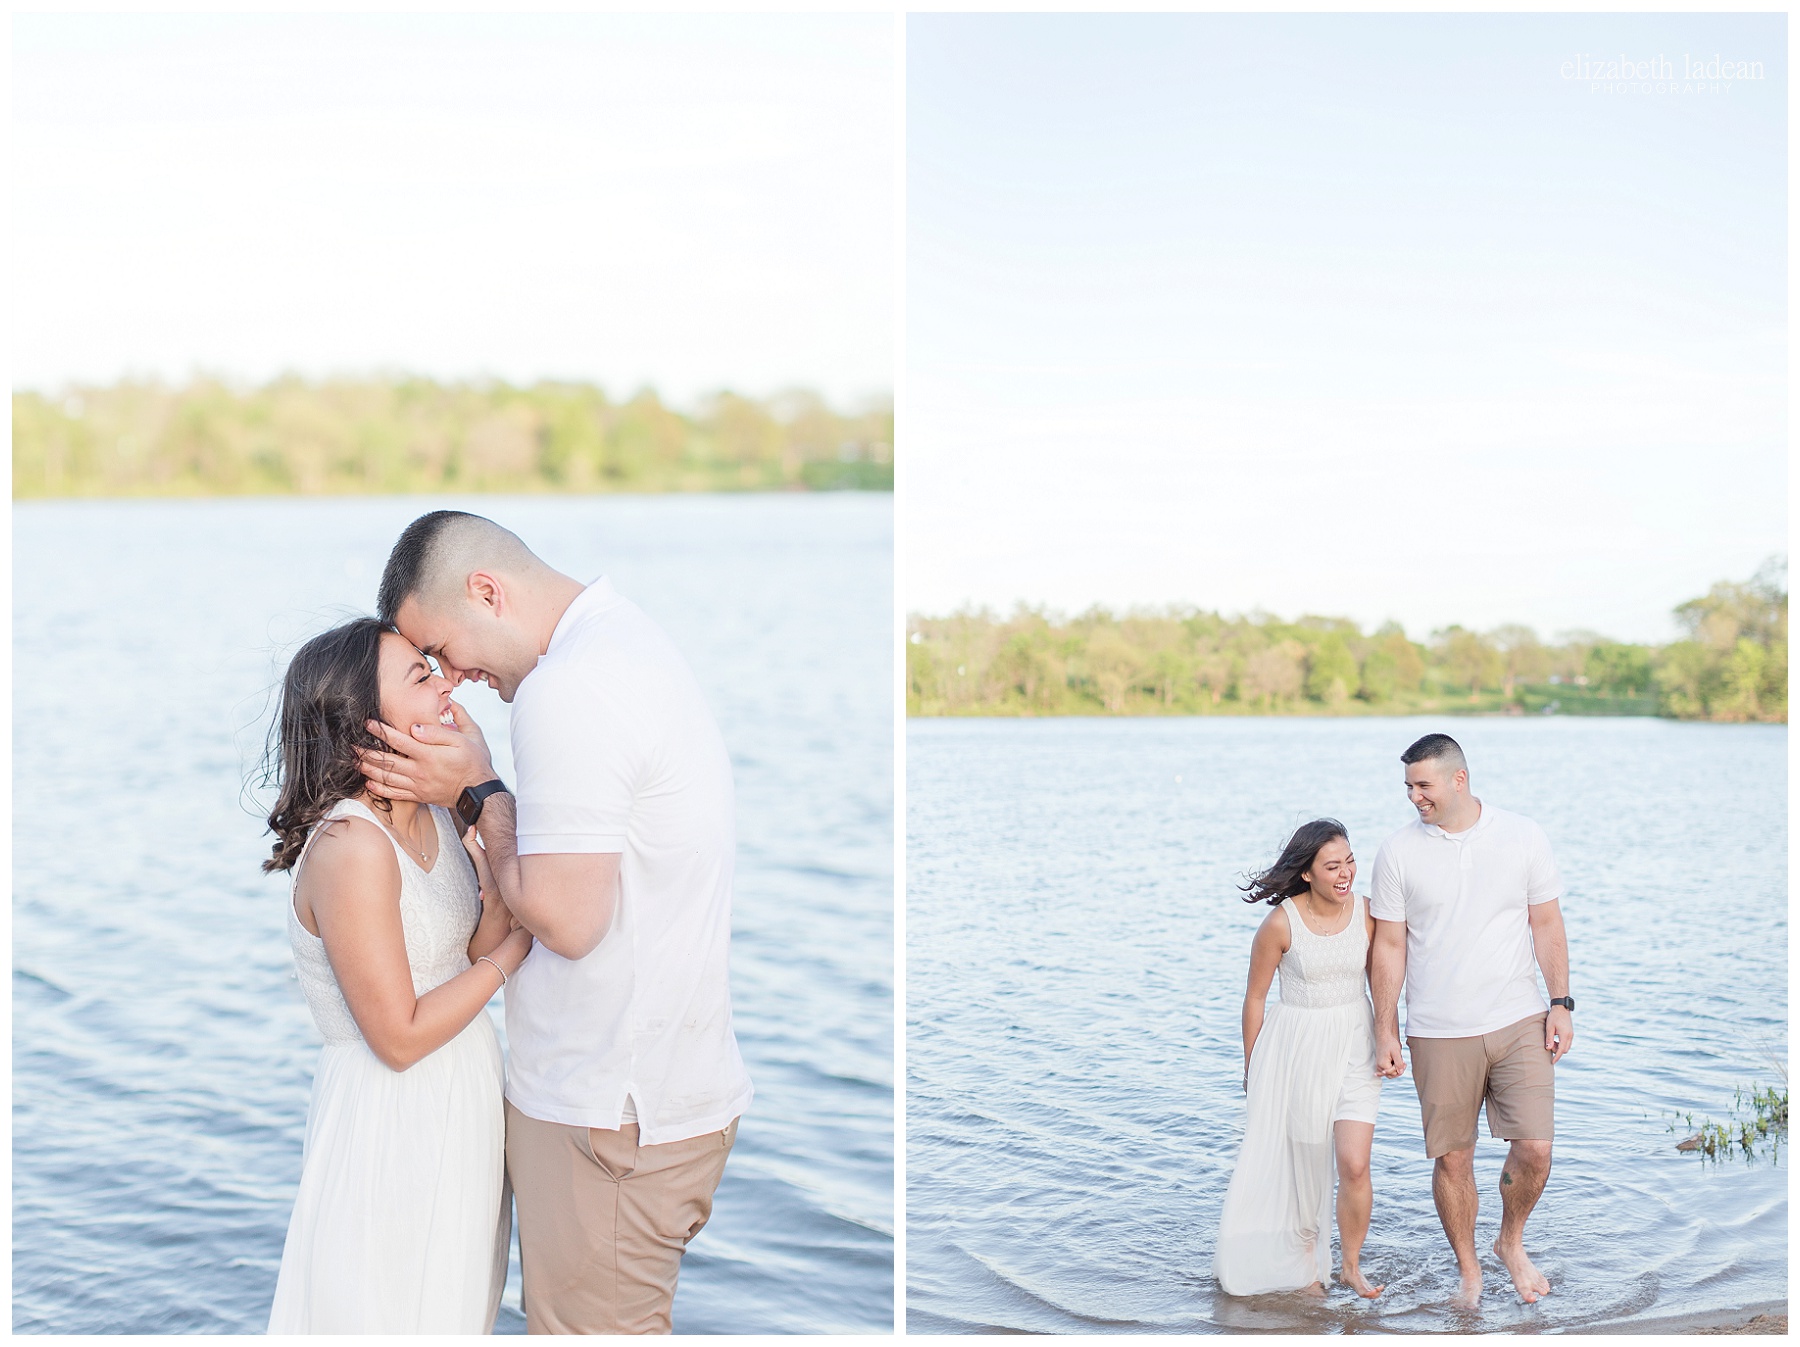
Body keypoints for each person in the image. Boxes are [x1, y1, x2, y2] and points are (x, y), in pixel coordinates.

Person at [355, 510, 754, 1334]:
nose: (453, 678)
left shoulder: (566, 687)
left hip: (609, 1114)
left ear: (488, 592)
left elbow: (569, 921)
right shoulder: (622, 644)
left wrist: (483, 791)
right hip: (643, 1102)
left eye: (443, 651)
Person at [262, 618, 534, 1333]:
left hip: (464, 1096)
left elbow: (458, 950)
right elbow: (399, 1035)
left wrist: (494, 861)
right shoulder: (352, 845)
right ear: (365, 725)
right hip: (392, 1114)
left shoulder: (437, 815)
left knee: (450, 1308)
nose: (446, 683)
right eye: (420, 676)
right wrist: (507, 960)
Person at [1369, 732, 1573, 1309]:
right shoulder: (1398, 852)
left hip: (1518, 1019)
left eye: (1423, 785)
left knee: (1535, 1148)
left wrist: (1561, 1002)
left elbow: (1547, 924)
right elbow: (1388, 947)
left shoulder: (1522, 836)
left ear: (1459, 779)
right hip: (1437, 1027)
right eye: (1408, 786)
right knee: (1453, 1158)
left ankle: (1511, 1243)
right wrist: (1385, 1027)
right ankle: (1469, 1272)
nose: (1414, 797)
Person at [1214, 819, 1385, 1300]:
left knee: (1354, 1164)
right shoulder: (1280, 923)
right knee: (1307, 1164)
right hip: (1298, 1047)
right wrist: (1253, 1067)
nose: (1346, 872)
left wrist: (1389, 1035)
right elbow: (1254, 999)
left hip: (1356, 1042)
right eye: (1333, 866)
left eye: (1350, 860)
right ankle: (1307, 1265)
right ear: (1307, 873)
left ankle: (1350, 1266)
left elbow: (1381, 981)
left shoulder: (1368, 913)